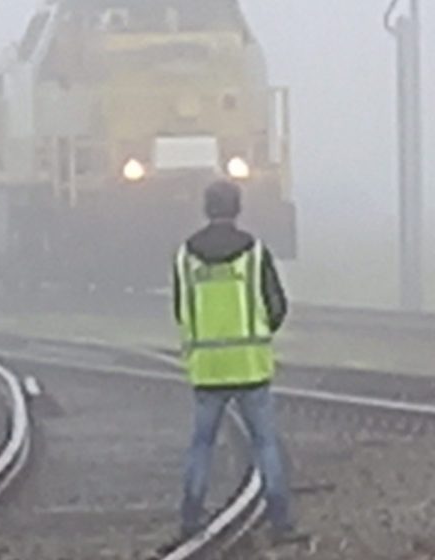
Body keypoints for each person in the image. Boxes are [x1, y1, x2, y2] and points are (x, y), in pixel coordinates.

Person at [172, 180, 300, 542]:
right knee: (265, 444)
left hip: (207, 370)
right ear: (238, 208)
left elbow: (181, 310)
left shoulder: (185, 256)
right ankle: (281, 521)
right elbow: (278, 305)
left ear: (205, 208)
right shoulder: (255, 253)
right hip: (250, 366)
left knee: (201, 446)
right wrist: (260, 332)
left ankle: (190, 517)